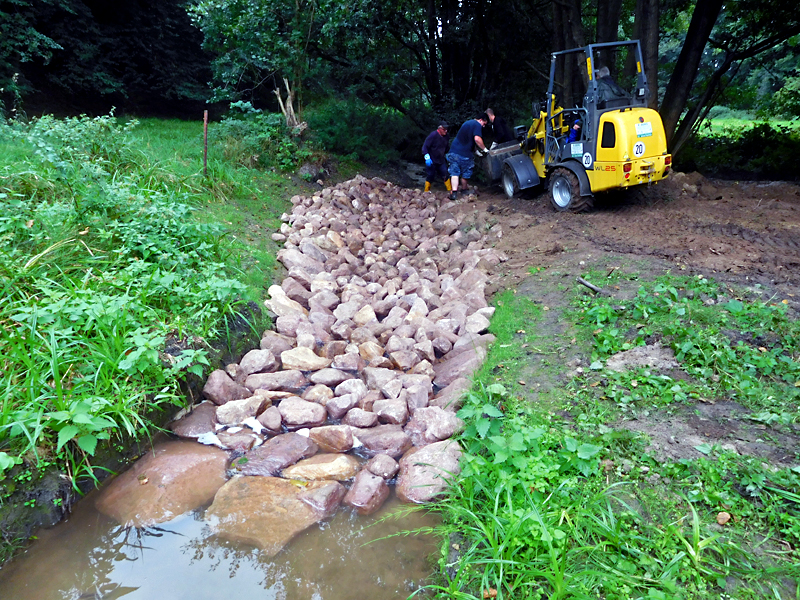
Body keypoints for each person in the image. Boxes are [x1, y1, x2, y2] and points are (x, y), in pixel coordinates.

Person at [446, 113, 489, 201]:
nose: (484, 126)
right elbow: (477, 139)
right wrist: (485, 150)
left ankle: (454, 193)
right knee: (466, 173)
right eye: (484, 123)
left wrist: (477, 152)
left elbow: (469, 141)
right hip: (465, 155)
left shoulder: (468, 123)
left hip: (454, 151)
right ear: (481, 120)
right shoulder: (477, 124)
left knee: (455, 173)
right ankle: (464, 190)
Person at [421, 121, 451, 192]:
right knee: (430, 175)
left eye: (447, 129)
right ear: (439, 128)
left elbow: (447, 147)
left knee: (445, 174)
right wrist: (426, 156)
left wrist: (447, 154)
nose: (446, 131)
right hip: (432, 159)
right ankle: (426, 191)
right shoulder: (433, 135)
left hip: (441, 160)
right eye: (444, 129)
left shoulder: (446, 137)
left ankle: (450, 191)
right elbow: (425, 147)